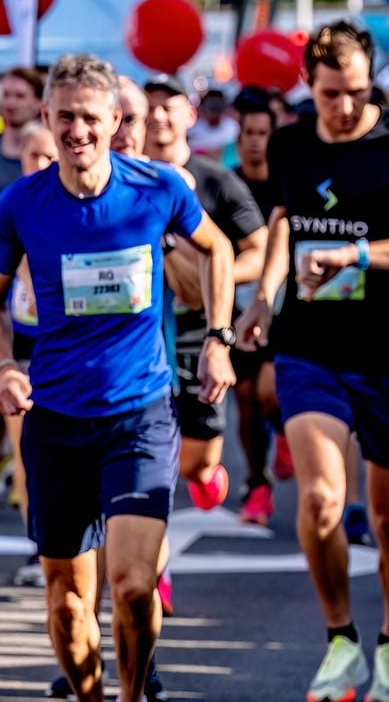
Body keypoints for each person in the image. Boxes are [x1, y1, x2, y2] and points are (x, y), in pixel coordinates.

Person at [0, 53, 235, 702]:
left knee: (132, 584)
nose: (78, 131)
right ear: (46, 117)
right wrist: (6, 364)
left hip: (139, 412)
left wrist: (219, 342)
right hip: (56, 417)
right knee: (68, 603)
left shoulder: (157, 188)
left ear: (116, 120)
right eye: (64, 117)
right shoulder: (21, 204)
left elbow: (219, 250)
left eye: (91, 118)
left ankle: (130, 694)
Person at [236, 21, 389, 702]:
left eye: (360, 92)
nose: (349, 108)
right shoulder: (291, 143)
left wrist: (359, 254)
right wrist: (265, 299)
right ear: (310, 84)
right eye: (333, 94)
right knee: (325, 500)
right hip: (312, 348)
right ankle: (340, 640)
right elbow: (285, 222)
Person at [144, 74, 267, 512]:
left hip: (200, 329)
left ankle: (204, 472)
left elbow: (260, 250)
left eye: (168, 105)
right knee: (148, 460)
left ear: (189, 114)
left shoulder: (216, 181)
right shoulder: (125, 179)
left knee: (197, 460)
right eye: (149, 105)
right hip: (141, 330)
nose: (158, 114)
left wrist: (216, 276)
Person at [231, 95, 291, 526]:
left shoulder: (288, 186)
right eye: (248, 134)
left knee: (269, 391)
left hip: (283, 302)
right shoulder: (228, 183)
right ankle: (257, 484)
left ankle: (284, 429)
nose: (255, 142)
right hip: (235, 302)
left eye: (262, 134)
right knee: (246, 400)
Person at [0, 67, 43, 206]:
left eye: (20, 96)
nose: (11, 103)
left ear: (38, 102)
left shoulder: (51, 151)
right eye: (6, 95)